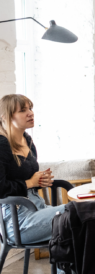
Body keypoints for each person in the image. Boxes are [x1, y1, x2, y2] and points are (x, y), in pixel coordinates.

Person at [0, 94, 66, 246]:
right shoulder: (2, 143)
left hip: (38, 207)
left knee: (87, 215)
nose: (30, 113)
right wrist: (29, 183)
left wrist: (40, 181)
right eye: (23, 110)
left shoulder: (27, 140)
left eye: (30, 108)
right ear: (5, 117)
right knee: (77, 211)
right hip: (17, 220)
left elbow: (23, 177)